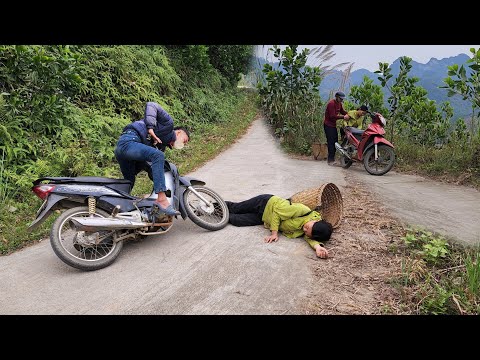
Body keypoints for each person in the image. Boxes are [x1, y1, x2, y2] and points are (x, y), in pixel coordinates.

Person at [114, 102, 190, 216]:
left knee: (129, 181)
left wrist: (156, 179)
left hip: (127, 151)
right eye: (185, 140)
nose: (183, 144)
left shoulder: (160, 146)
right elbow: (152, 105)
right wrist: (150, 127)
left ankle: (116, 208)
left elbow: (152, 166)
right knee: (158, 156)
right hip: (129, 140)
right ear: (179, 132)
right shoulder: (168, 124)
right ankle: (162, 200)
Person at [226, 194, 333, 259]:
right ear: (316, 221)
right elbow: (277, 213)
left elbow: (309, 238)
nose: (304, 229)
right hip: (265, 203)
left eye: (306, 232)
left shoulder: (309, 232)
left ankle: (214, 213)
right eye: (307, 227)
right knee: (236, 208)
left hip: (264, 217)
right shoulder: (302, 210)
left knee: (237, 220)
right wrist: (274, 233)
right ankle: (212, 205)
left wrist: (318, 247)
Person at [324, 91, 349, 165]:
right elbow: (332, 116)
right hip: (328, 125)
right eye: (341, 99)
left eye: (342, 99)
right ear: (337, 97)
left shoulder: (339, 104)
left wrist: (351, 114)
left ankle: (332, 158)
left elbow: (342, 111)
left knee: (335, 142)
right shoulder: (331, 104)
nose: (342, 100)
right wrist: (343, 117)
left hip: (333, 125)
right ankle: (330, 160)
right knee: (331, 143)